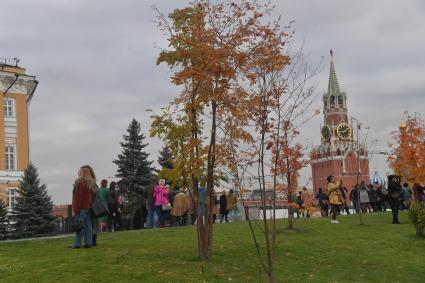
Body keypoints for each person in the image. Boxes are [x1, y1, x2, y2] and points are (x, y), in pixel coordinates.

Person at [71, 166, 94, 249]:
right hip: (88, 207)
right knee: (88, 226)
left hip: (81, 208)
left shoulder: (80, 182)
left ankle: (77, 244)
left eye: (79, 171)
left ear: (82, 172)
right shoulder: (90, 182)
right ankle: (88, 243)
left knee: (79, 225)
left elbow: (78, 197)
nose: (78, 172)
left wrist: (75, 208)